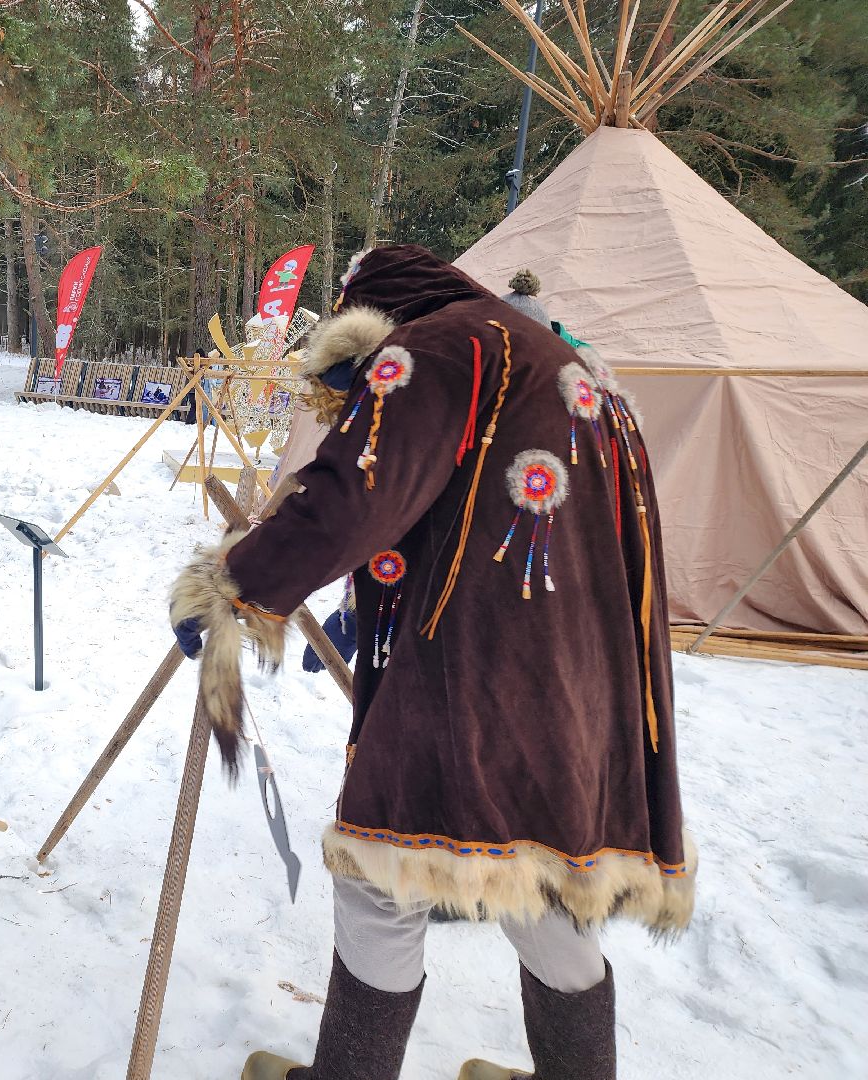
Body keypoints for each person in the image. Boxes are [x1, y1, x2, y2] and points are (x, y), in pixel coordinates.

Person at [170, 244, 692, 1080]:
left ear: (373, 324)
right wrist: (359, 606)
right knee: (544, 872)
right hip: (582, 695)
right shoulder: (567, 361)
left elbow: (356, 491)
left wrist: (238, 582)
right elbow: (466, 508)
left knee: (387, 871)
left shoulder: (441, 347)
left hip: (474, 684)